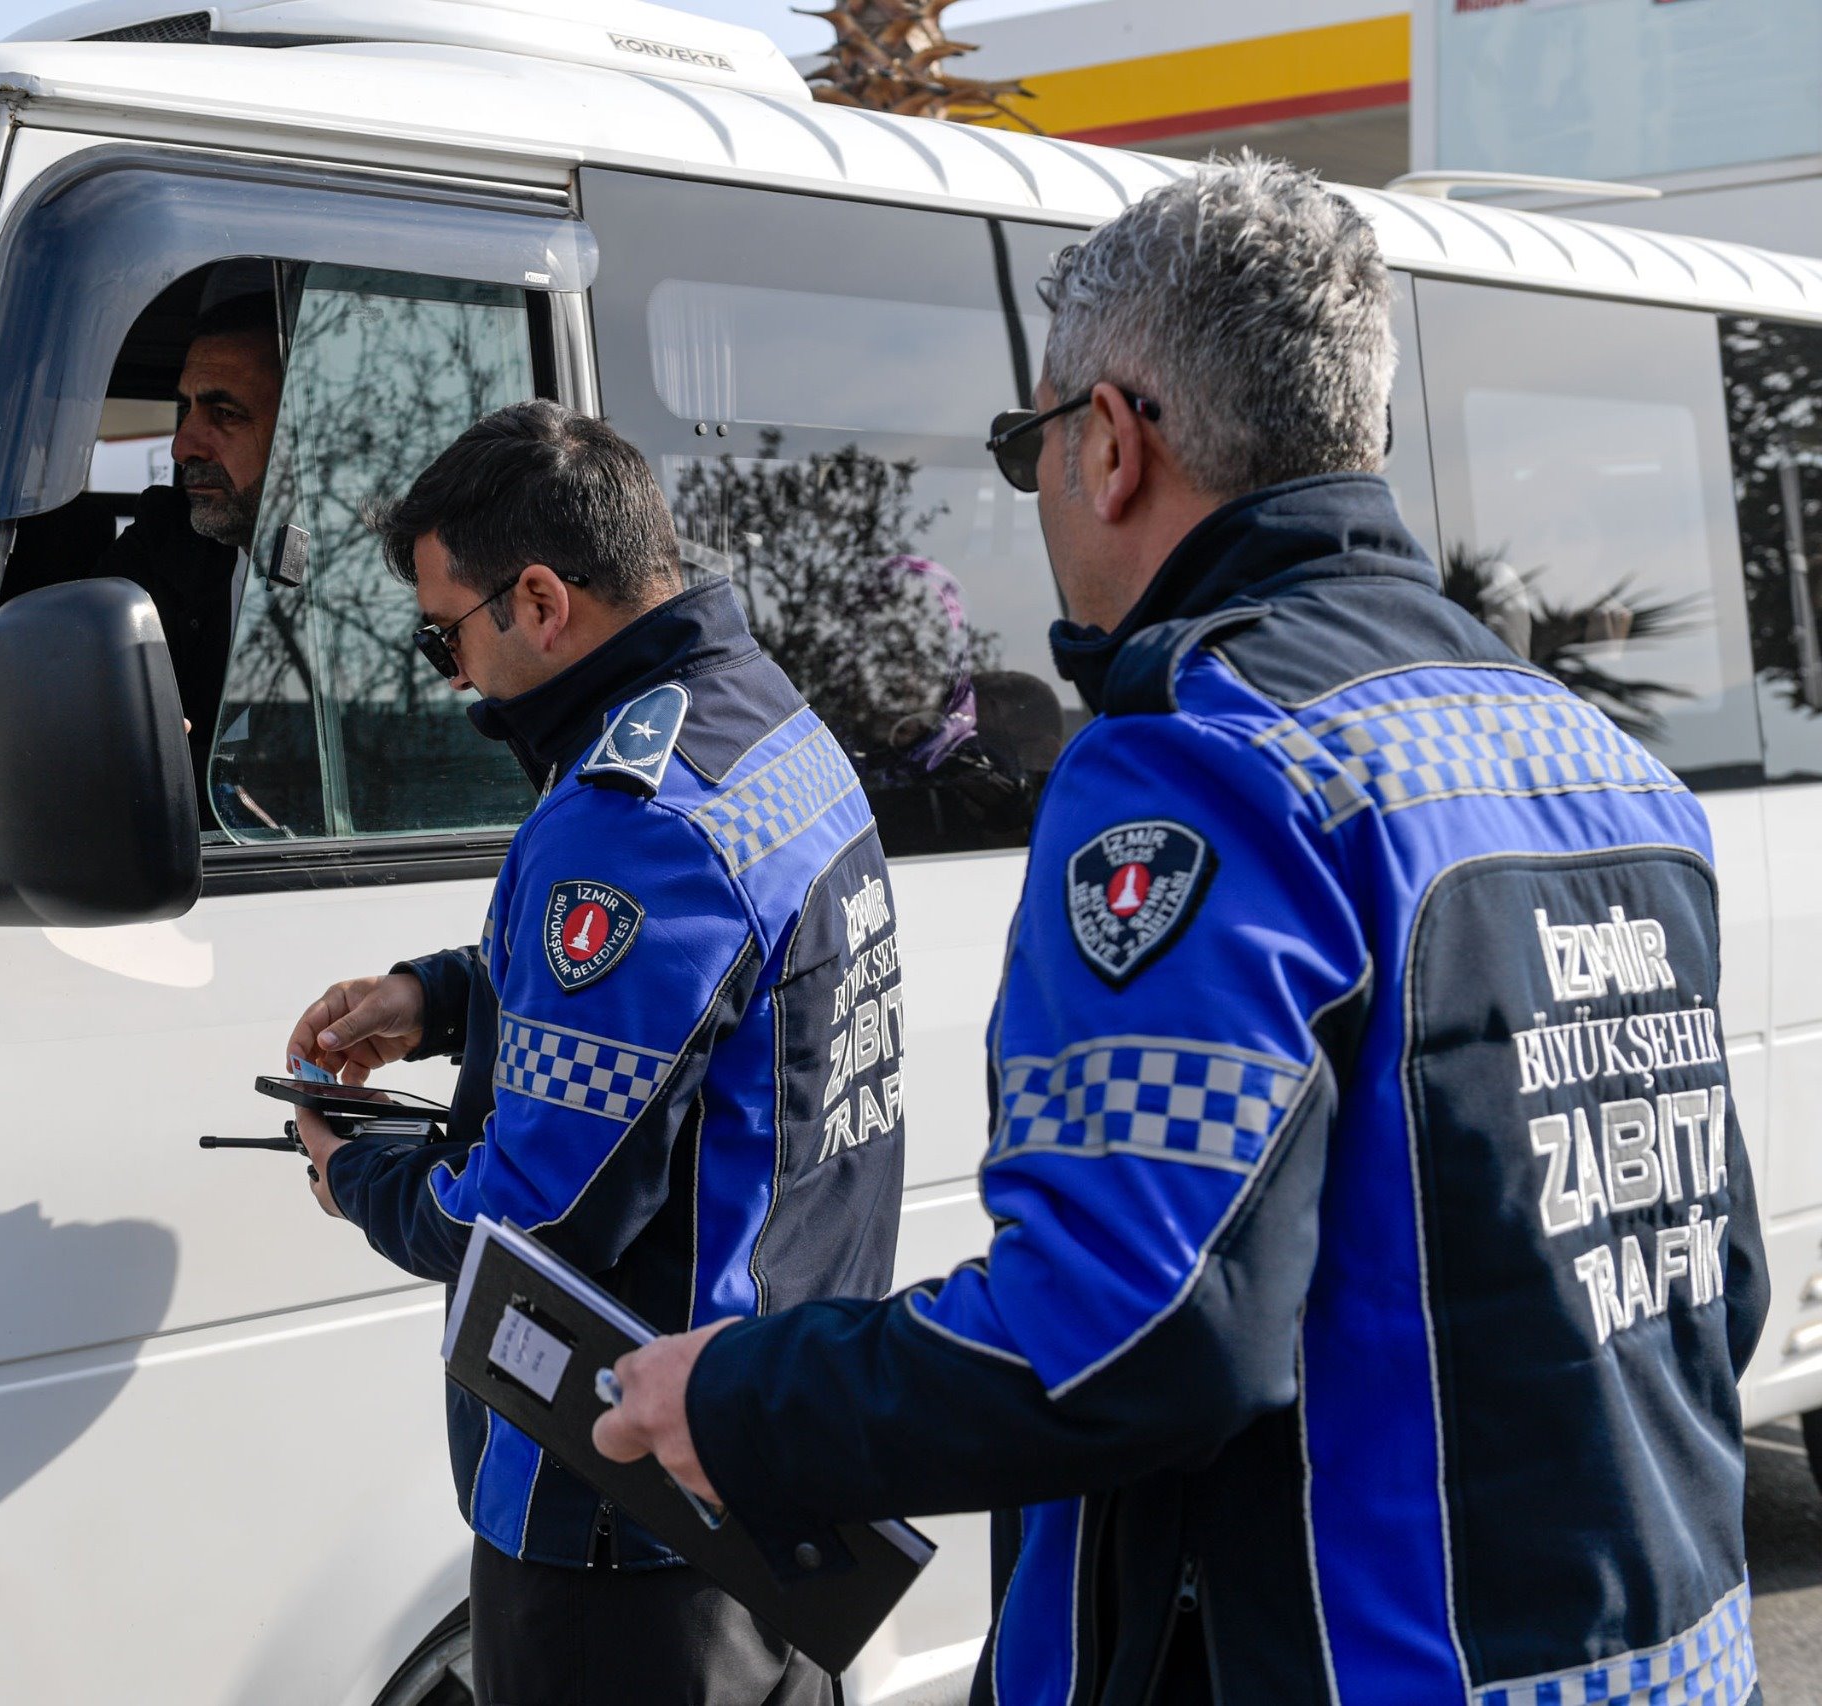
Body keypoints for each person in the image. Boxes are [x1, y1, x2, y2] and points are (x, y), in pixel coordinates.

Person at [594, 154, 1769, 1705]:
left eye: (1028, 447)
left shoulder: (1210, 762)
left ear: (1110, 443)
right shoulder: (1601, 764)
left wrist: (743, 1398)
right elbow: (1710, 1273)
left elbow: (1138, 1323)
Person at [284, 400, 906, 1705]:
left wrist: (360, 1177)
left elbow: (531, 1223)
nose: (452, 677)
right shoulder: (766, 726)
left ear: (543, 601)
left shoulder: (634, 819)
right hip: (776, 1466)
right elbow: (692, 1008)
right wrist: (441, 998)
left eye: (443, 634)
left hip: (623, 1516)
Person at [1, 290, 282, 794]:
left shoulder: (390, 581)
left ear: (305, 432)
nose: (182, 445)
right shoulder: (169, 535)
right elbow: (69, 662)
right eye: (187, 408)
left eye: (226, 414)